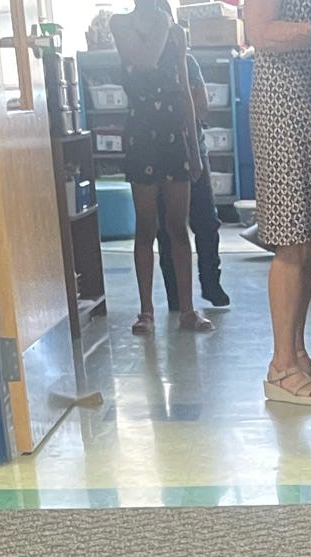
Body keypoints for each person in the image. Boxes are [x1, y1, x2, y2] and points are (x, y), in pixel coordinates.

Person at [110, 0, 213, 336]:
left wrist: (194, 150)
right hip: (141, 134)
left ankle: (187, 310)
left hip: (174, 136)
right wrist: (162, 21)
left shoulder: (175, 32)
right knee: (145, 226)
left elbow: (183, 89)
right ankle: (146, 312)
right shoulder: (120, 23)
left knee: (178, 227)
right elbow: (144, 60)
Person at [242, 0, 311, 405]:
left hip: (308, 103)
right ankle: (281, 364)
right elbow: (260, 31)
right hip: (281, 105)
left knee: (310, 242)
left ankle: (298, 352)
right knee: (290, 238)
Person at [156, 51, 230, 311]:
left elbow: (201, 106)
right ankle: (175, 295)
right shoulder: (144, 63)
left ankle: (211, 283)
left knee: (207, 221)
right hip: (160, 155)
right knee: (167, 228)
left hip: (194, 149)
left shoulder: (186, 61)